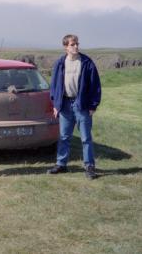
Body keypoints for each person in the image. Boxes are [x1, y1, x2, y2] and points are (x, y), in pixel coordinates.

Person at [48, 34, 102, 180]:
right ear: (66, 47)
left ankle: (89, 166)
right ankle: (61, 164)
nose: (76, 46)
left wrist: (93, 105)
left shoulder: (86, 62)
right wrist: (56, 104)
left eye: (77, 43)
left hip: (81, 104)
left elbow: (95, 85)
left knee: (85, 138)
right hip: (64, 104)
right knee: (64, 137)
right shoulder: (60, 63)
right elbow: (54, 86)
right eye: (73, 44)